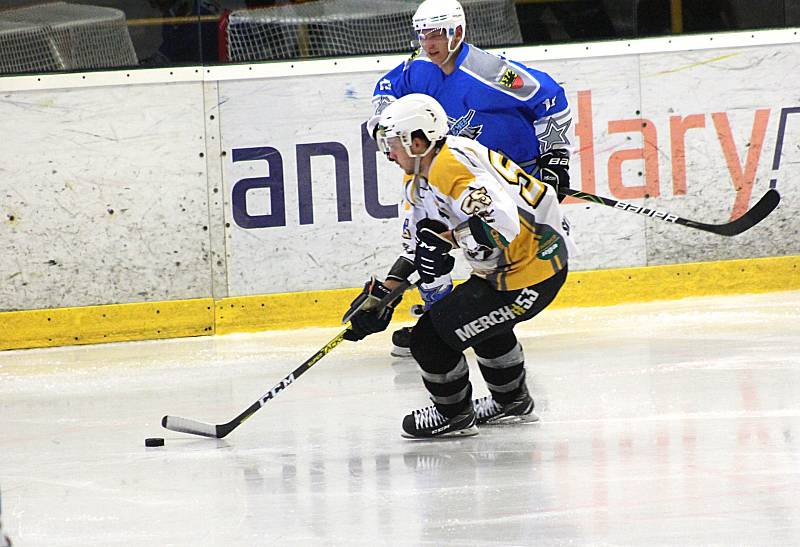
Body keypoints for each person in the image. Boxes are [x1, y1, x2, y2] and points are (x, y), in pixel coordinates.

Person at [343, 94, 575, 438]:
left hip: (532, 273)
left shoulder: (450, 168)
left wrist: (449, 240)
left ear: (417, 140)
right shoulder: (420, 173)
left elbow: (502, 225)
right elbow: (416, 246)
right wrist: (383, 295)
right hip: (509, 271)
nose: (388, 153)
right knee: (480, 323)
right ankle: (511, 404)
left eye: (392, 143)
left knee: (429, 341)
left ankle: (454, 415)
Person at [366, 0, 574, 358]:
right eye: (422, 34)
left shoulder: (493, 72)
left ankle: (484, 326)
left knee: (500, 247)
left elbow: (551, 98)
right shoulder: (417, 69)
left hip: (505, 178)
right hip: (451, 173)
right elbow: (385, 89)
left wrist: (555, 156)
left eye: (436, 34)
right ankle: (438, 318)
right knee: (426, 240)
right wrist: (385, 118)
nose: (428, 43)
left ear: (458, 32)